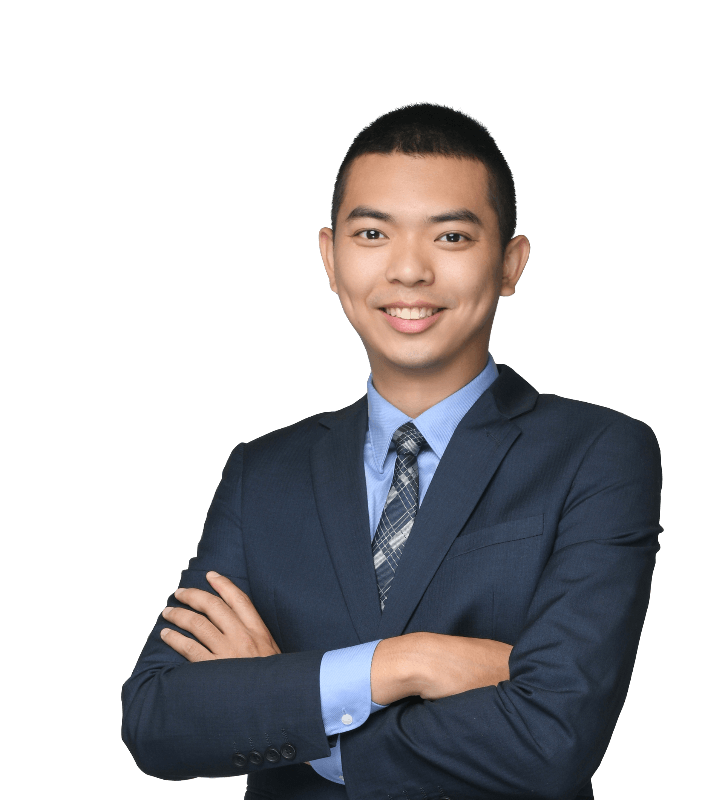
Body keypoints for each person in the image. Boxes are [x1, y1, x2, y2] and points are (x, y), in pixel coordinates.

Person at [122, 102, 662, 800]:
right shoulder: (264, 472)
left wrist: (287, 698)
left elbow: (553, 737)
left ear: (510, 263)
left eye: (452, 237)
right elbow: (158, 720)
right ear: (330, 258)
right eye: (373, 233)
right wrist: (406, 662)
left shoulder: (598, 453)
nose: (408, 271)